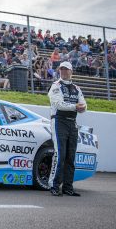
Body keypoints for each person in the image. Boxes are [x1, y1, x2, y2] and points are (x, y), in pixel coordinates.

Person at [48, 61, 87, 197]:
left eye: (66, 69)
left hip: (72, 123)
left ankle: (68, 187)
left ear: (71, 72)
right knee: (60, 155)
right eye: (61, 69)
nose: (63, 72)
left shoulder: (77, 88)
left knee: (71, 156)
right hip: (59, 121)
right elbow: (59, 104)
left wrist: (80, 107)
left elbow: (84, 105)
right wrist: (75, 107)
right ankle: (54, 185)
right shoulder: (56, 85)